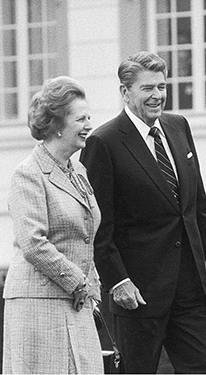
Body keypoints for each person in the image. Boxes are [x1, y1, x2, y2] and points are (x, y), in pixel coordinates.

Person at [80, 51, 206, 374]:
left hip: (189, 287)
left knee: (204, 368)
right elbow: (98, 228)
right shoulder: (102, 143)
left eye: (162, 86)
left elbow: (195, 200)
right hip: (138, 295)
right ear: (125, 92)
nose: (157, 95)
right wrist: (118, 280)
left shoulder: (178, 126)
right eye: (147, 88)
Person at [2, 76, 103, 374]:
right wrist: (78, 281)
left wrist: (91, 286)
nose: (88, 125)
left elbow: (86, 235)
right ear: (57, 124)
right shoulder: (29, 173)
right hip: (38, 303)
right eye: (80, 119)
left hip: (76, 302)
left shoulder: (79, 171)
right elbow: (33, 242)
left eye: (89, 118)